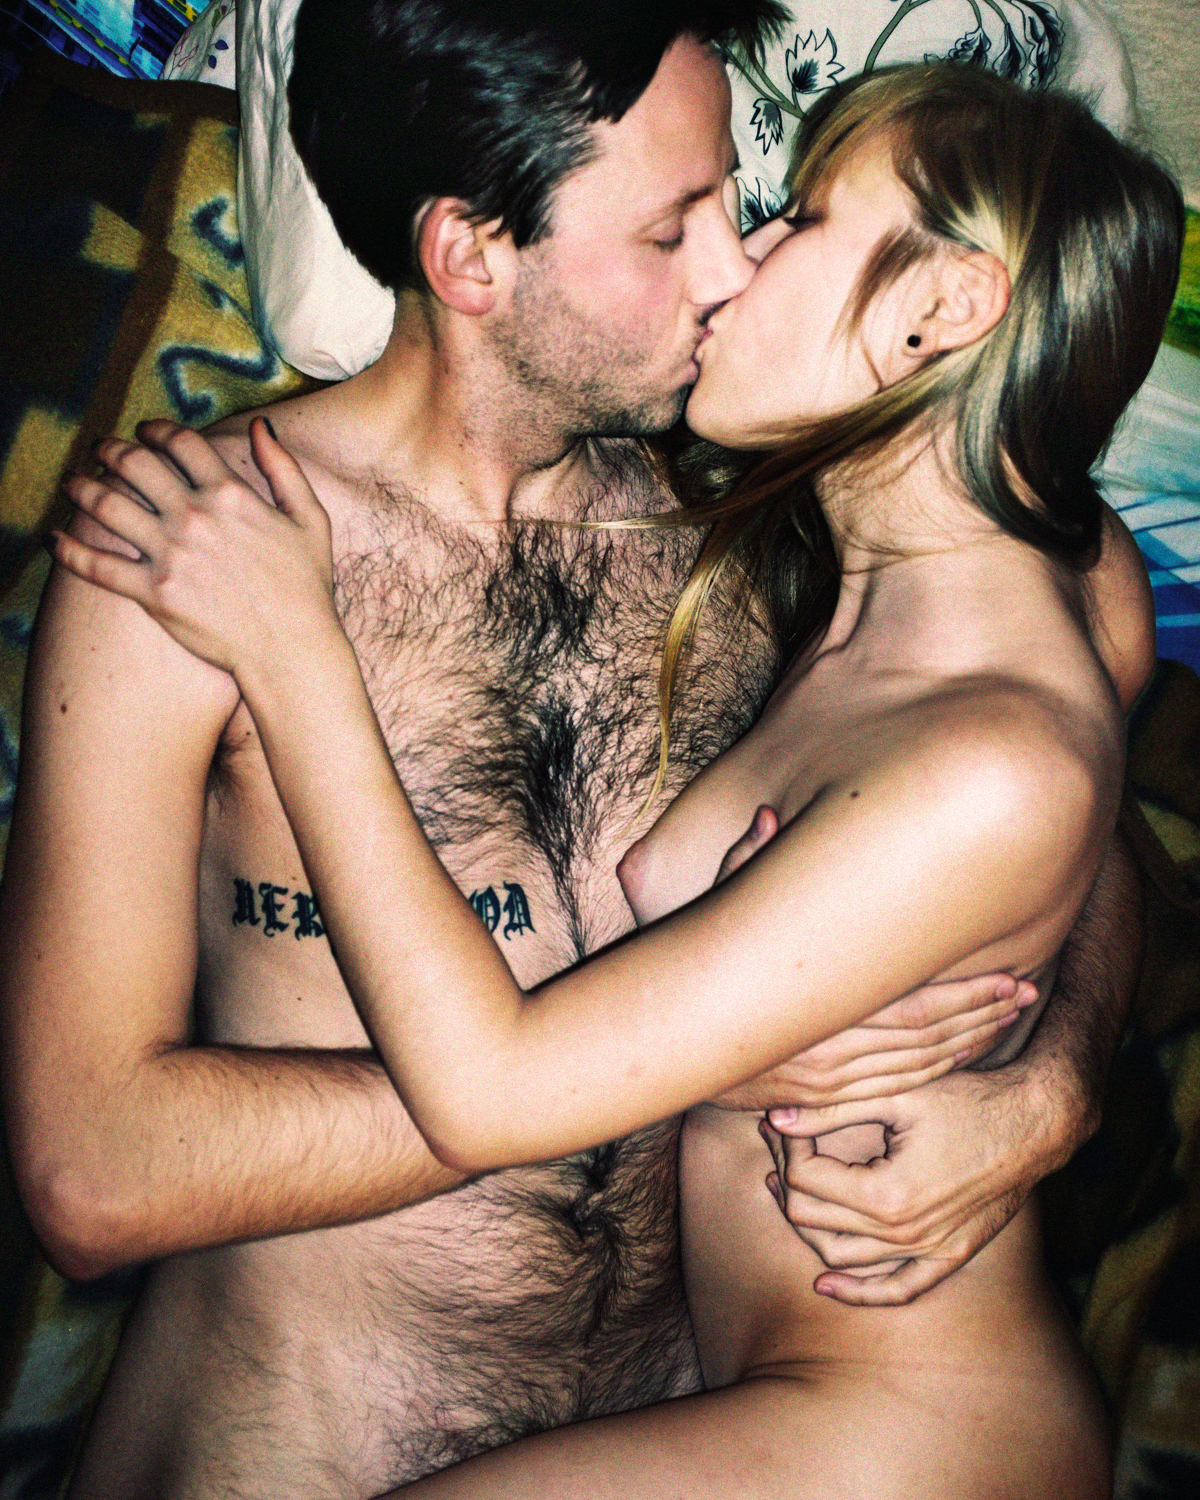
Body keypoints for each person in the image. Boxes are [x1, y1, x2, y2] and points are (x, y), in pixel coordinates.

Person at [0, 0, 1143, 1492]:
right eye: (675, 229)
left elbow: (1066, 785)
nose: (734, 267)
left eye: (746, 204)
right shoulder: (200, 556)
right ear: (472, 254)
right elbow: (94, 1174)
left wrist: (1050, 1082)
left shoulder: (769, 526)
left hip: (734, 1426)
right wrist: (668, 1065)